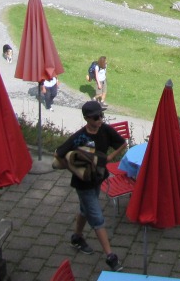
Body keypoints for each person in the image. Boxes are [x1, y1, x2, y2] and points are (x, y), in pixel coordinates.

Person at [54, 101, 127, 271]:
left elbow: (122, 143)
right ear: (87, 118)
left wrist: (109, 158)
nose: (100, 119)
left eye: (101, 115)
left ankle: (77, 238)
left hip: (98, 179)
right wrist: (73, 168)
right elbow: (58, 154)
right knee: (97, 218)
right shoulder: (80, 137)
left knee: (85, 209)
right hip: (83, 184)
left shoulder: (105, 129)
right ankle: (110, 257)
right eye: (96, 117)